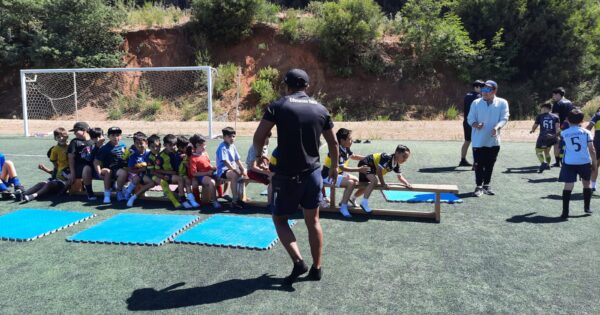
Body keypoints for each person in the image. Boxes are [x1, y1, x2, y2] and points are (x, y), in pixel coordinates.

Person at [253, 68, 339, 285]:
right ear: (307, 86)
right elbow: (333, 144)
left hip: (286, 176)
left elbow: (259, 135)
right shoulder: (321, 109)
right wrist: (335, 168)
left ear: (286, 85)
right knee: (314, 221)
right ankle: (317, 268)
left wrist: (260, 155)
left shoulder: (278, 106)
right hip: (313, 174)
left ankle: (298, 261)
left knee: (280, 219)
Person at [467, 80, 509, 197]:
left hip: (494, 140)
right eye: (483, 90)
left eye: (487, 90)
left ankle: (487, 185)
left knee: (490, 163)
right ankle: (478, 186)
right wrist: (475, 124)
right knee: (478, 164)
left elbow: (504, 118)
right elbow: (470, 118)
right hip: (478, 140)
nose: (484, 92)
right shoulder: (476, 103)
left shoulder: (502, 102)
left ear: (494, 91)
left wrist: (497, 127)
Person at [322, 128, 368, 218]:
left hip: (339, 173)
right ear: (342, 140)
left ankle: (347, 200)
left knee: (358, 181)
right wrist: (359, 169)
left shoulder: (345, 148)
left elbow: (354, 156)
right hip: (328, 175)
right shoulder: (337, 150)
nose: (352, 141)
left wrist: (369, 157)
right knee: (351, 183)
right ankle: (343, 207)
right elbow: (343, 167)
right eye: (350, 139)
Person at [559, 109, 596, 219]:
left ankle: (565, 212)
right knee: (586, 183)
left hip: (569, 162)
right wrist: (594, 163)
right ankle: (587, 207)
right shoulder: (587, 132)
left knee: (568, 185)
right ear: (582, 121)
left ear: (567, 120)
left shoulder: (564, 133)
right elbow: (592, 149)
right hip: (584, 162)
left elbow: (560, 144)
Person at [352, 145, 413, 213]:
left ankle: (353, 198)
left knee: (366, 186)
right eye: (404, 157)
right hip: (365, 164)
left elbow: (400, 177)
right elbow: (379, 171)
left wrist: (407, 184)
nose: (405, 160)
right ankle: (364, 203)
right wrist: (383, 184)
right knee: (374, 181)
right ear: (397, 153)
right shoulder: (387, 157)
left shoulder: (396, 164)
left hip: (372, 168)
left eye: (406, 158)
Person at [19, 127, 70, 202]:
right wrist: (45, 169)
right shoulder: (55, 150)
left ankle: (34, 195)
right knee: (41, 184)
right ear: (55, 138)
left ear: (66, 136)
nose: (61, 138)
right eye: (58, 137)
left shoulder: (70, 146)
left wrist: (46, 169)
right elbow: (56, 169)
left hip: (64, 181)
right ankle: (22, 194)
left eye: (63, 136)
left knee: (50, 184)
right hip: (58, 178)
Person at [156, 134, 198, 208]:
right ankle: (183, 200)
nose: (174, 147)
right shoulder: (161, 156)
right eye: (171, 145)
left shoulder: (176, 152)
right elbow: (157, 169)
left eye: (175, 145)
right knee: (181, 179)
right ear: (165, 145)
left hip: (177, 174)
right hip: (168, 175)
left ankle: (191, 200)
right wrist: (169, 173)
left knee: (187, 180)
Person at [92, 127, 128, 204]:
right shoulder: (105, 148)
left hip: (121, 168)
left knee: (129, 171)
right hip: (110, 170)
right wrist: (99, 173)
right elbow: (96, 162)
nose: (116, 137)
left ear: (121, 136)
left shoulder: (123, 145)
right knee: (121, 172)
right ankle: (109, 194)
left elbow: (126, 157)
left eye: (118, 135)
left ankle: (126, 190)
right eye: (113, 135)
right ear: (108, 136)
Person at [216, 127, 247, 208]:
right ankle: (234, 200)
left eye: (233, 136)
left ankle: (240, 197)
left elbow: (237, 159)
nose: (232, 138)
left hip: (231, 170)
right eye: (229, 137)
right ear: (224, 137)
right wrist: (235, 170)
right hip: (223, 171)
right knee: (234, 175)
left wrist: (243, 169)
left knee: (246, 173)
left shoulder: (232, 146)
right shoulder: (222, 147)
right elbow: (225, 162)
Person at [188, 134, 221, 209]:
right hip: (201, 176)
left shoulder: (205, 153)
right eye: (203, 145)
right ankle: (214, 201)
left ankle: (221, 195)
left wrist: (213, 168)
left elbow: (208, 164)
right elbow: (194, 173)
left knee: (221, 177)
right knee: (212, 182)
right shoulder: (193, 158)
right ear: (197, 145)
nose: (205, 147)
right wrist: (207, 173)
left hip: (209, 173)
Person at [66, 122, 95, 199]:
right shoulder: (75, 142)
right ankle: (90, 192)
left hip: (95, 166)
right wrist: (72, 173)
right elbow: (71, 158)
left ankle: (113, 188)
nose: (74, 133)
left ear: (84, 130)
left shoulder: (94, 140)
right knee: (87, 168)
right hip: (80, 168)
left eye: (76, 131)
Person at [125, 132, 154, 207]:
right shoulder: (133, 155)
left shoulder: (150, 153)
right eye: (137, 143)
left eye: (141, 143)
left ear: (146, 143)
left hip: (150, 174)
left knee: (152, 182)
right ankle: (128, 193)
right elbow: (130, 169)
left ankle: (133, 194)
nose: (139, 145)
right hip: (137, 175)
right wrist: (140, 170)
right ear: (134, 144)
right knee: (137, 179)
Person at [530, 103, 560, 173]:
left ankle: (543, 163)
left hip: (543, 137)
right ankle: (548, 165)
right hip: (552, 137)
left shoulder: (540, 116)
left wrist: (533, 130)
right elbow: (557, 128)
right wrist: (556, 136)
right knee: (547, 151)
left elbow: (535, 125)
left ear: (544, 108)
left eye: (541, 109)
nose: (541, 110)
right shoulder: (556, 117)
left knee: (538, 151)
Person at [460, 80, 484, 167]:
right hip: (474, 123)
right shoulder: (478, 97)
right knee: (477, 143)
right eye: (481, 86)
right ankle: (475, 164)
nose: (482, 89)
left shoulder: (467, 95)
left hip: (466, 122)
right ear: (476, 87)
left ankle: (463, 160)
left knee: (467, 141)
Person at [246, 132, 273, 203]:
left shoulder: (265, 146)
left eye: (268, 138)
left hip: (260, 170)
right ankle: (270, 204)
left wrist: (266, 166)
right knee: (273, 180)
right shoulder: (255, 148)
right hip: (252, 172)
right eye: (265, 138)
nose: (267, 140)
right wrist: (267, 173)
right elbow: (253, 167)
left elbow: (262, 162)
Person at [551, 87, 574, 167]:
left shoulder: (557, 103)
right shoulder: (570, 102)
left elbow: (555, 118)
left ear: (558, 94)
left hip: (561, 127)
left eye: (554, 95)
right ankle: (567, 160)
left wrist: (557, 130)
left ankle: (558, 162)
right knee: (568, 144)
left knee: (557, 144)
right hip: (570, 126)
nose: (553, 97)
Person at [585, 107, 600, 191]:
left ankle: (592, 185)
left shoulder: (597, 115)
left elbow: (589, 127)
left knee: (595, 165)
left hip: (598, 143)